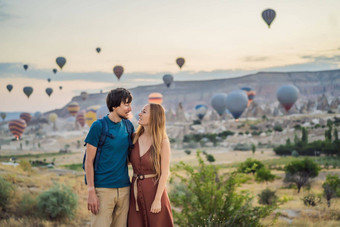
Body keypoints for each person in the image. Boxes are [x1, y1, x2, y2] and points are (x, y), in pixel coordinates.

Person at [85, 88, 134, 227]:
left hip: (125, 189)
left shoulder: (129, 126)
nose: (129, 108)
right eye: (126, 104)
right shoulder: (98, 126)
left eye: (130, 104)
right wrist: (91, 192)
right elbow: (89, 162)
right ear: (114, 106)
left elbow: (130, 158)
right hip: (103, 190)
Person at [128, 103, 174, 227]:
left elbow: (165, 172)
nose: (139, 114)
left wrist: (158, 200)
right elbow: (125, 161)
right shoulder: (134, 138)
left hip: (154, 193)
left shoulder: (162, 142)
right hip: (135, 194)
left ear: (154, 117)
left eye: (144, 112)